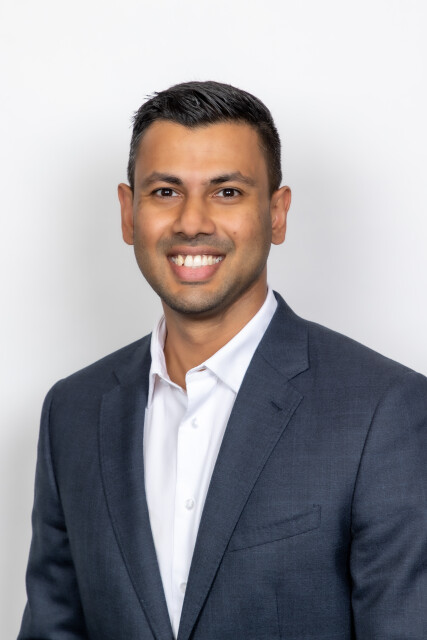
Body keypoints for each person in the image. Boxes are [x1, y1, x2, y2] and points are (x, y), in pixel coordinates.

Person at [19, 81, 427, 640]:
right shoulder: (72, 411)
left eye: (227, 192)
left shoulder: (384, 411)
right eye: (165, 191)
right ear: (128, 212)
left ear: (277, 213)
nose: (192, 222)